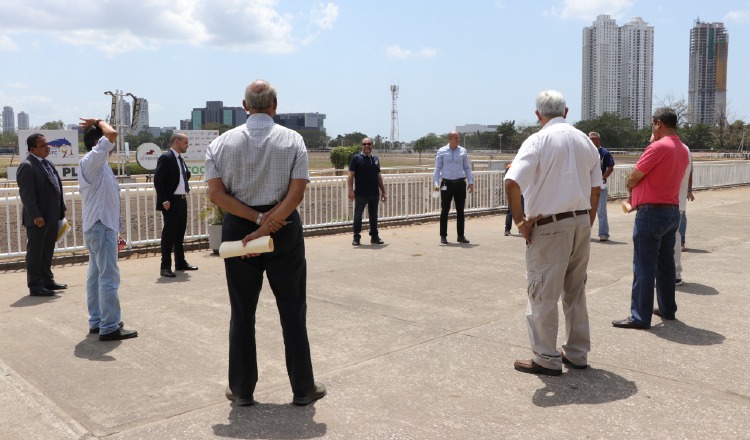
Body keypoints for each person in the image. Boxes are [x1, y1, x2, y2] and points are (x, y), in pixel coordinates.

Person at [205, 79, 325, 406]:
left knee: (242, 312)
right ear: (275, 105)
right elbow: (296, 193)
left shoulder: (221, 144)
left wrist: (256, 224)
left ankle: (242, 389)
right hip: (282, 229)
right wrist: (268, 225)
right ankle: (303, 388)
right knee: (292, 309)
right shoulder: (293, 140)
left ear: (245, 107)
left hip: (238, 232)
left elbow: (216, 194)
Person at [504, 90, 601, 376]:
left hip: (550, 226)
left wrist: (520, 222)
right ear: (566, 112)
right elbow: (596, 187)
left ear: (538, 115)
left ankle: (546, 358)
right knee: (575, 291)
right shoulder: (586, 141)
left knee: (543, 293)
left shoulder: (538, 140)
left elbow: (512, 182)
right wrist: (588, 221)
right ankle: (577, 353)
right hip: (581, 222)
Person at [612, 108, 689, 329]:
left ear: (658, 123)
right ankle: (667, 308)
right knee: (665, 265)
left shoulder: (657, 147)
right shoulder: (683, 149)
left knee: (643, 266)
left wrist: (630, 185)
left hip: (651, 213)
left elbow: (635, 176)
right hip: (671, 211)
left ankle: (639, 316)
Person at [78, 118, 138, 341]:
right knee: (108, 279)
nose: (113, 148)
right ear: (98, 142)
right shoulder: (93, 160)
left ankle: (97, 321)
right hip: (101, 229)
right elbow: (112, 134)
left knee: (95, 278)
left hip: (99, 227)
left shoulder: (97, 164)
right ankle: (110, 326)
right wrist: (100, 121)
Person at [17, 133, 67, 296]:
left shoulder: (47, 163)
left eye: (47, 144)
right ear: (32, 149)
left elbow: (55, 189)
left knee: (47, 250)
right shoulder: (27, 166)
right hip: (39, 218)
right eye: (43, 145)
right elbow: (27, 195)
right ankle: (35, 285)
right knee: (36, 251)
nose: (48, 147)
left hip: (52, 216)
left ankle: (47, 280)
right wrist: (36, 215)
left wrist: (61, 210)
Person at [154, 133, 198, 277]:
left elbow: (182, 176)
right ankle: (165, 266)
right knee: (169, 235)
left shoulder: (180, 159)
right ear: (177, 142)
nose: (187, 145)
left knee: (179, 234)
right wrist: (164, 200)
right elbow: (158, 180)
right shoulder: (166, 158)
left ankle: (180, 262)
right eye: (185, 142)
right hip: (171, 202)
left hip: (182, 200)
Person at [433, 131, 474, 244]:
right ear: (450, 138)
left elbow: (467, 167)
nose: (458, 139)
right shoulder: (442, 151)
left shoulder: (463, 151)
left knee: (460, 211)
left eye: (459, 138)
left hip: (460, 183)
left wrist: (471, 181)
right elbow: (437, 169)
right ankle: (443, 236)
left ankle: (460, 236)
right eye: (456, 137)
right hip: (446, 184)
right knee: (445, 210)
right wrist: (436, 184)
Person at [348, 137, 387, 246]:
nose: (367, 146)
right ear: (362, 145)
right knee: (358, 216)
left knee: (373, 216)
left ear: (372, 145)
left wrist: (383, 191)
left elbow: (378, 176)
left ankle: (374, 236)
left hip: (374, 193)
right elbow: (350, 174)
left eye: (369, 144)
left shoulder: (375, 159)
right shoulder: (357, 158)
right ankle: (356, 237)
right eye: (364, 144)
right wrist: (350, 190)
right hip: (361, 193)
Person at [588, 132, 615, 241]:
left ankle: (603, 233)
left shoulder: (605, 153)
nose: (592, 140)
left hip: (600, 186)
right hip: (586, 185)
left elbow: (610, 167)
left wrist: (602, 178)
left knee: (601, 210)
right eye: (590, 138)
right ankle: (585, 233)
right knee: (584, 210)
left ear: (599, 140)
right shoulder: (586, 151)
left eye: (595, 138)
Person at [675, 147, 694, 286]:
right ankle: (675, 274)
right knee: (674, 237)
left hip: (670, 202)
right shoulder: (685, 150)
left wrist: (689, 190)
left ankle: (674, 274)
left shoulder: (682, 151)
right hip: (677, 202)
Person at [503, 162, 524, 236]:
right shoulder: (513, 167)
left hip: (520, 193)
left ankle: (518, 229)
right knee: (511, 211)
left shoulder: (513, 167)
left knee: (515, 211)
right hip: (516, 193)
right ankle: (508, 229)